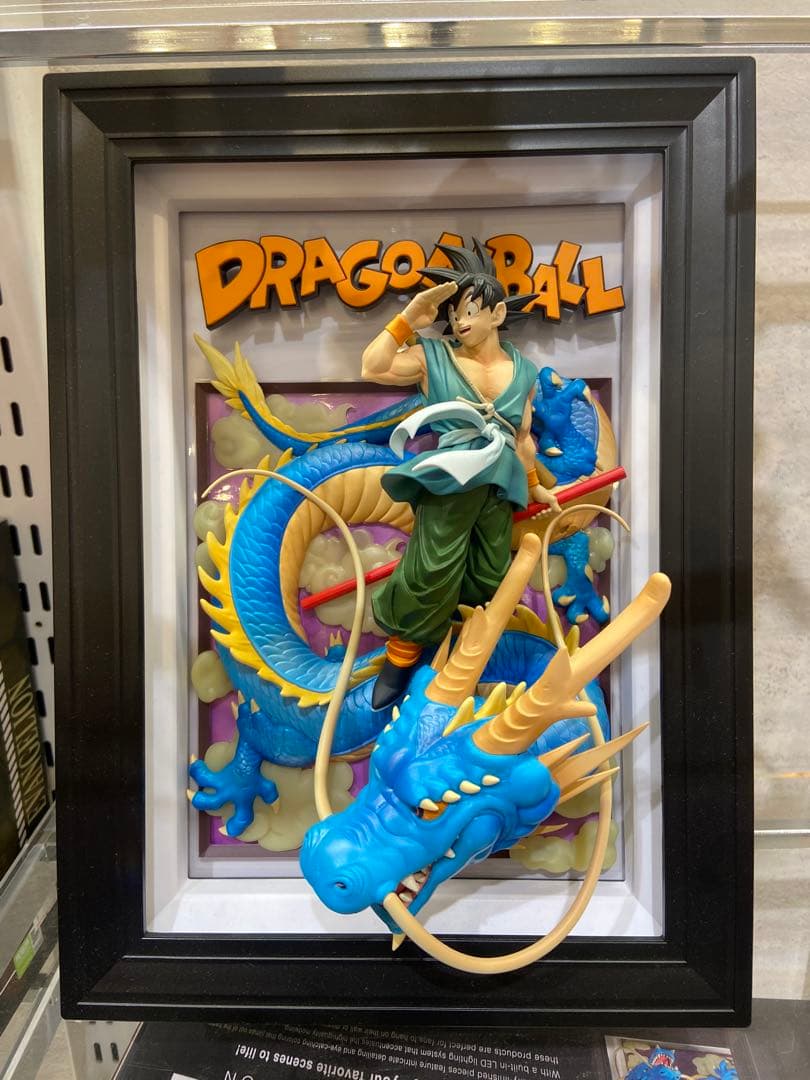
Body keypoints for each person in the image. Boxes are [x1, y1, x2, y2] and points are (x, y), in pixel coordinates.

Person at [361, 239, 559, 709]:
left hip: (502, 484)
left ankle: (451, 654)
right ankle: (401, 656)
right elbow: (372, 366)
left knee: (488, 574)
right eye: (453, 313)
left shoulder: (524, 370)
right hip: (452, 477)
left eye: (470, 309)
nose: (459, 321)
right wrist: (409, 318)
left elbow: (522, 438)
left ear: (497, 314)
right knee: (431, 567)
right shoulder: (433, 357)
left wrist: (535, 488)